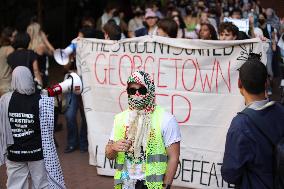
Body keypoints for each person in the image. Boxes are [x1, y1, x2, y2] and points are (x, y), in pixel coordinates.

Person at [105, 71, 181, 189]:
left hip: (152, 185)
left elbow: (173, 157)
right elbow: (109, 155)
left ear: (150, 91)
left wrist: (166, 186)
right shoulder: (120, 119)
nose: (137, 95)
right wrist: (113, 147)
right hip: (125, 182)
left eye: (141, 90)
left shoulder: (166, 119)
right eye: (132, 91)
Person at [221, 54, 284, 189]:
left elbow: (230, 174)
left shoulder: (240, 125)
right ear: (266, 83)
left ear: (239, 84)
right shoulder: (280, 111)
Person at [0, 66, 66, 188]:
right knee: (41, 184)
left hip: (14, 153)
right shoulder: (41, 99)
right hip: (36, 152)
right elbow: (51, 120)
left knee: (15, 185)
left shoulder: (5, 100)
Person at [27, 22, 55, 88]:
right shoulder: (42, 47)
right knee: (42, 96)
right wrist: (45, 40)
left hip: (29, 76)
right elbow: (53, 52)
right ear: (39, 33)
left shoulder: (27, 47)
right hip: (41, 76)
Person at [0, 27, 14, 96]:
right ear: (9, 37)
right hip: (7, 85)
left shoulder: (1, 49)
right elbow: (14, 67)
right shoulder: (10, 49)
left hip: (1, 84)